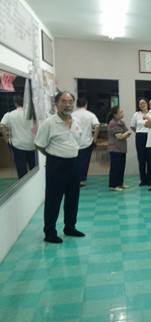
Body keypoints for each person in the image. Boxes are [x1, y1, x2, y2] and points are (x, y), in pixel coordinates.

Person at [35, 91, 85, 243]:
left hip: (74, 163)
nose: (67, 105)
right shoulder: (49, 123)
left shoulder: (76, 121)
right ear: (56, 104)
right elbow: (39, 144)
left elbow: (77, 141)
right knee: (53, 200)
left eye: (70, 101)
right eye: (63, 101)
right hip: (56, 164)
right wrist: (53, 155)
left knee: (73, 198)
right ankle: (49, 232)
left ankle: (70, 227)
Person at [0, 96, 36, 178]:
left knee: (21, 170)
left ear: (15, 103)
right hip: (32, 145)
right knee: (34, 169)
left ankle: (24, 185)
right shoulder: (31, 114)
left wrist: (7, 139)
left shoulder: (9, 115)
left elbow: (1, 126)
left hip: (18, 145)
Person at [73, 98, 100, 187]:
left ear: (76, 105)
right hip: (87, 142)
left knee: (75, 162)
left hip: (75, 143)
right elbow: (97, 126)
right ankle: (82, 180)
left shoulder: (72, 115)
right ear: (86, 104)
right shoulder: (90, 115)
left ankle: (75, 179)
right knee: (84, 162)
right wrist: (94, 139)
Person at [106, 106, 133, 191]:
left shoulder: (121, 122)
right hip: (115, 149)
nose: (122, 113)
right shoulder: (113, 123)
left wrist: (125, 134)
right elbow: (119, 136)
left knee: (121, 167)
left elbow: (126, 132)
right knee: (115, 168)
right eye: (120, 112)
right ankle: (113, 185)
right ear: (115, 114)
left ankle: (120, 184)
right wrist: (126, 134)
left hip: (122, 149)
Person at [131, 99, 151, 186]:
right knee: (141, 159)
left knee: (150, 159)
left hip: (150, 136)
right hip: (140, 137)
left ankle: (149, 179)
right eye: (140, 104)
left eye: (143, 103)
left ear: (147, 104)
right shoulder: (136, 114)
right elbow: (132, 126)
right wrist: (138, 131)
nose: (142, 105)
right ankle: (143, 180)